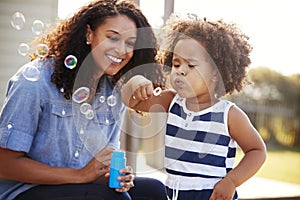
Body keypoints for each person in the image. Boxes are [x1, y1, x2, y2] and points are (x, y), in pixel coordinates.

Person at [0, 0, 167, 199]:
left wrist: (113, 175)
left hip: (79, 185)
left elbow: (100, 164)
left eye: (130, 43)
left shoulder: (113, 90)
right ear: (89, 34)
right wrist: (80, 175)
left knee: (153, 190)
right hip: (25, 190)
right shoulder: (35, 82)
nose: (122, 50)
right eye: (112, 38)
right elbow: (4, 164)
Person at [121, 14, 267, 200]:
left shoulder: (228, 114)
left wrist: (231, 181)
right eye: (176, 63)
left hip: (213, 194)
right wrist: (136, 81)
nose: (181, 70)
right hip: (174, 194)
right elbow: (131, 101)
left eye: (191, 65)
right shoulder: (171, 101)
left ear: (215, 73)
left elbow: (257, 151)